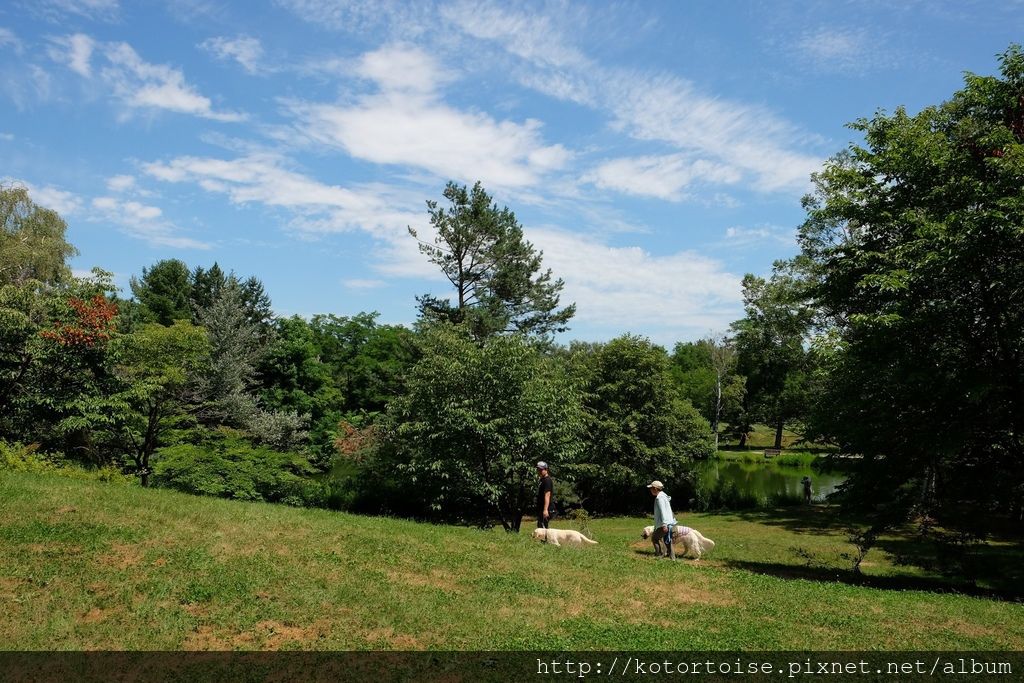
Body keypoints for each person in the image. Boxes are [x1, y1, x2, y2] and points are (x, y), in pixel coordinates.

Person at [647, 480, 677, 560]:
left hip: (664, 524)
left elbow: (663, 511)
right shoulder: (664, 496)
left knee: (654, 538)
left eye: (651, 488)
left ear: (656, 489)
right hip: (670, 523)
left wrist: (664, 524)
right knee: (667, 540)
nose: (650, 490)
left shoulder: (659, 498)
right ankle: (673, 559)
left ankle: (658, 555)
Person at [536, 461, 556, 529]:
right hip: (541, 507)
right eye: (538, 469)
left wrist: (545, 510)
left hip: (546, 508)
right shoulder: (542, 480)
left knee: (543, 528)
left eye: (541, 470)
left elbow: (547, 495)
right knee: (540, 526)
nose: (539, 471)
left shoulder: (547, 481)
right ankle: (544, 540)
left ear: (546, 469)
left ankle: (546, 540)